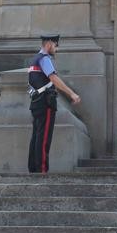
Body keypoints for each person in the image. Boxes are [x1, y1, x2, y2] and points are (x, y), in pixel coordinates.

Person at [27, 34, 81, 173]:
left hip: (36, 102)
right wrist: (72, 93)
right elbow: (54, 78)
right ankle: (42, 170)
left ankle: (33, 169)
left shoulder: (34, 59)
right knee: (44, 137)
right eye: (56, 46)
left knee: (36, 137)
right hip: (45, 102)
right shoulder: (45, 59)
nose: (56, 49)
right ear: (50, 43)